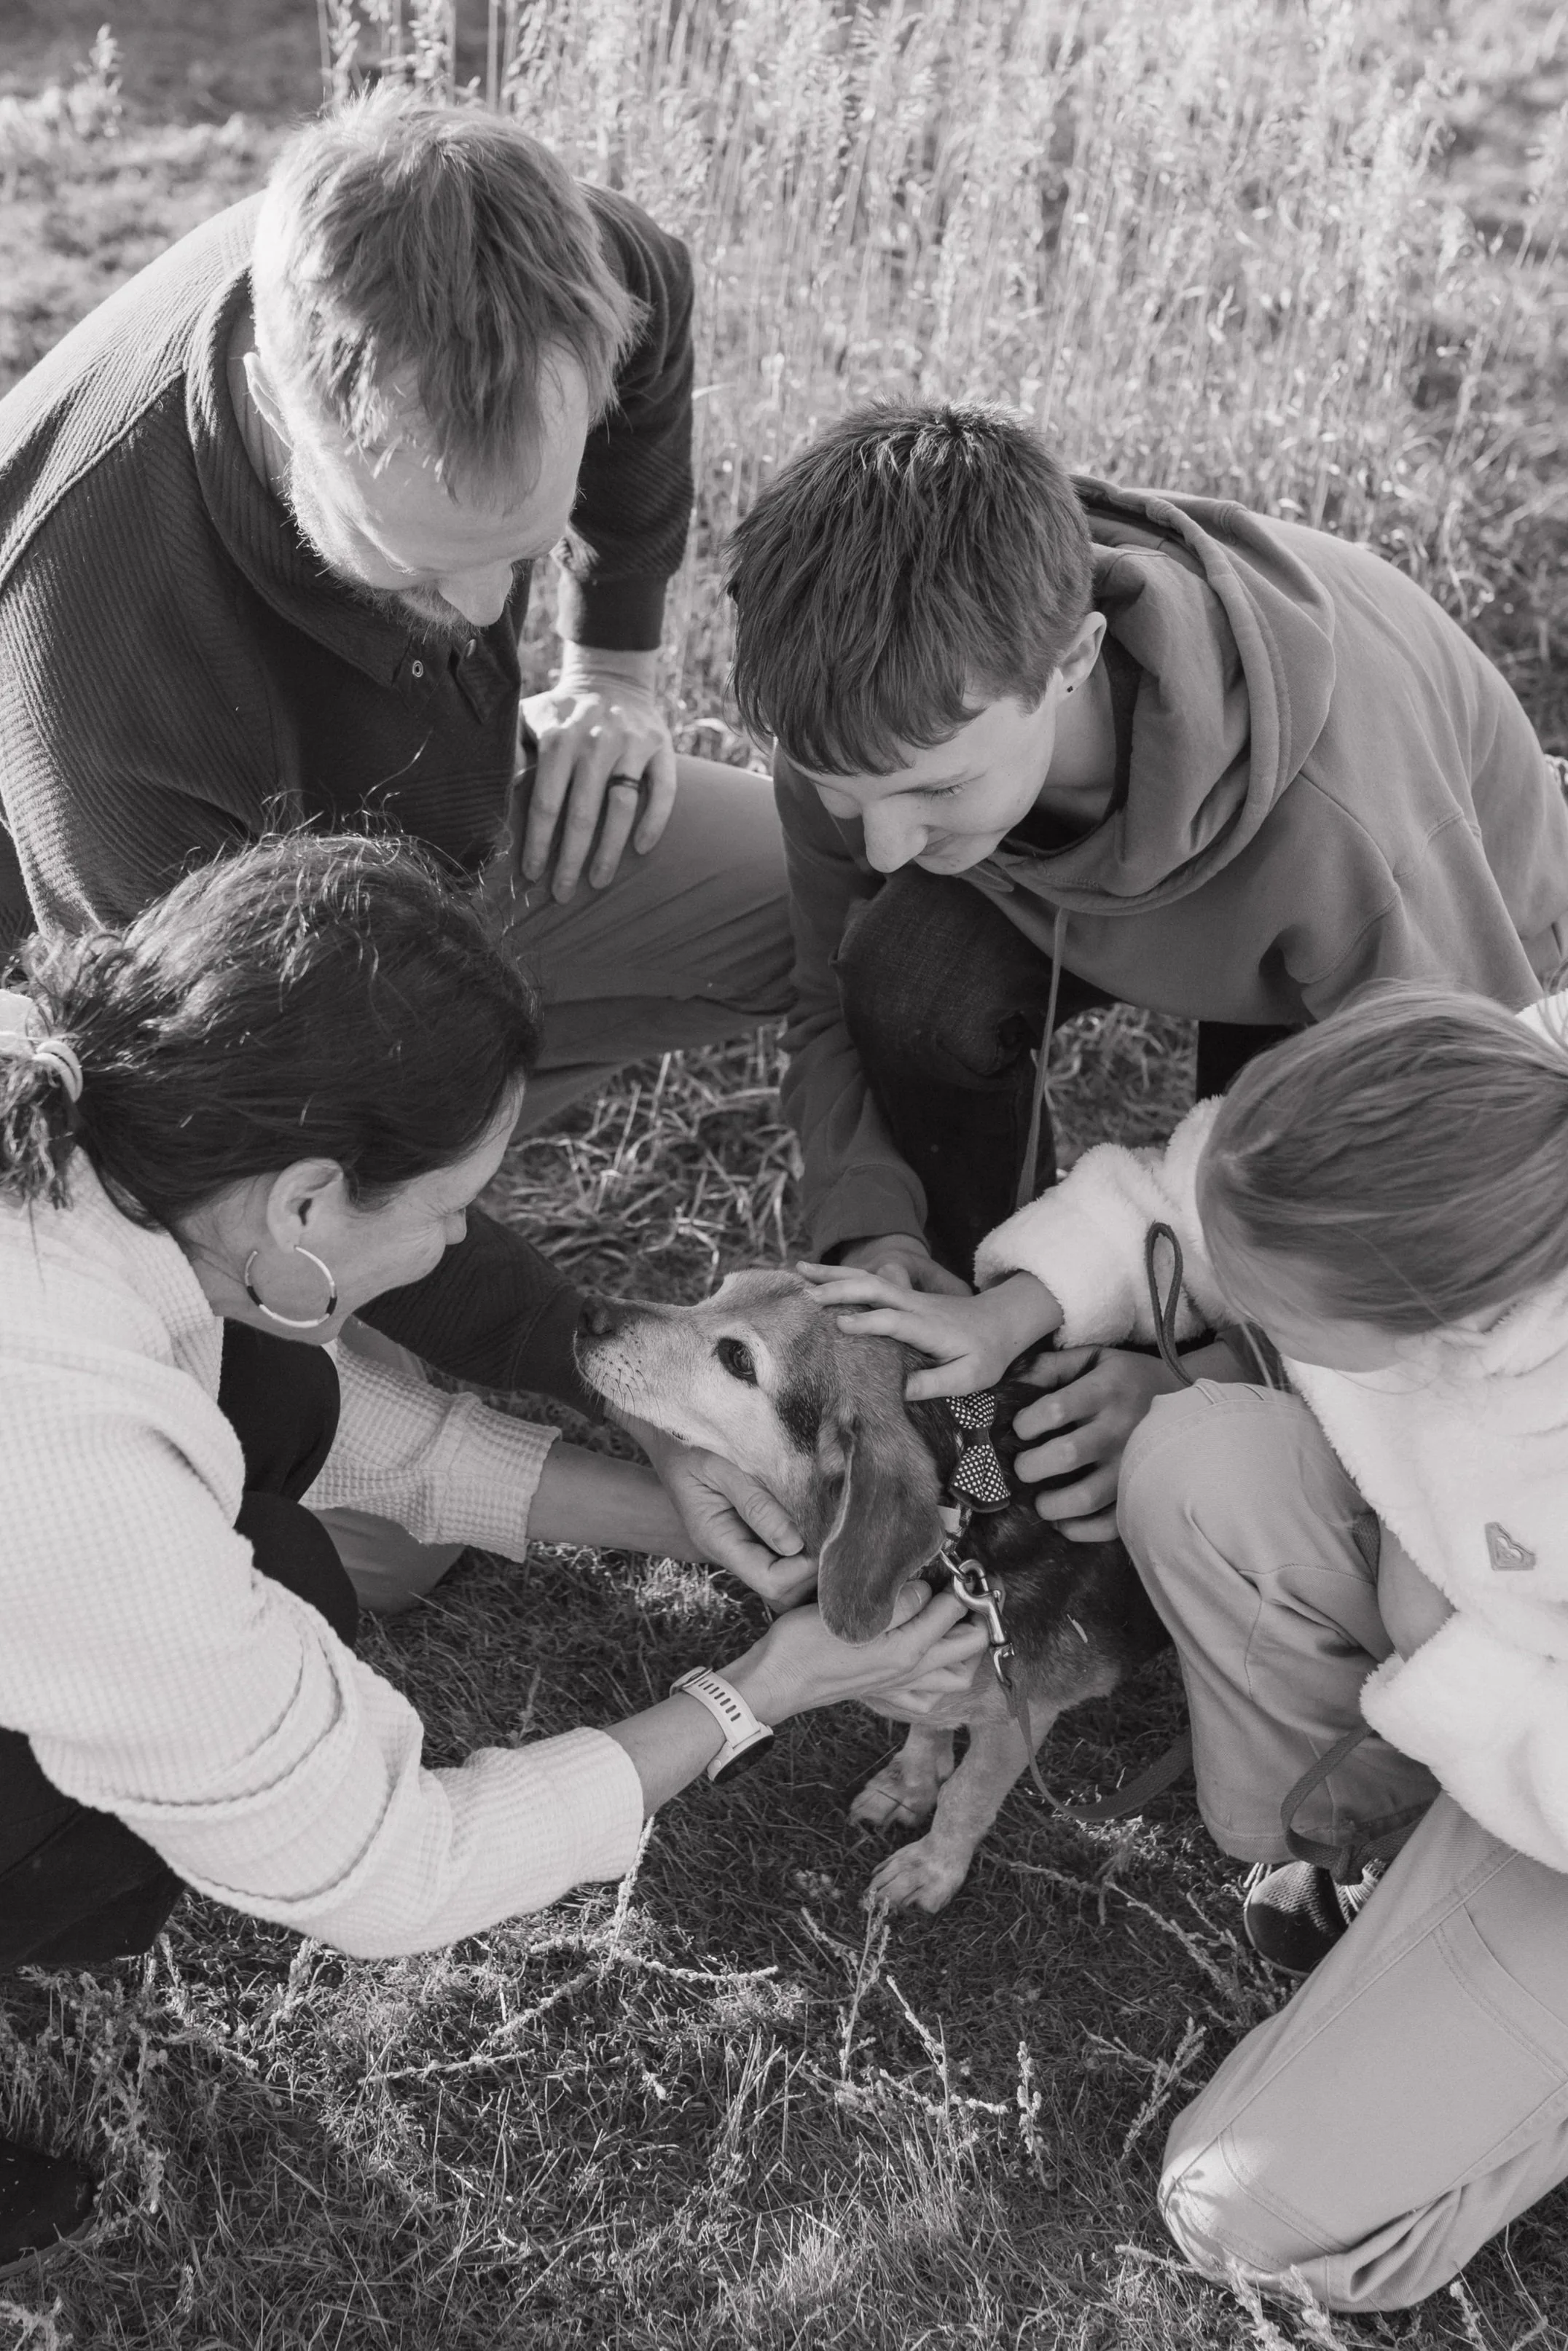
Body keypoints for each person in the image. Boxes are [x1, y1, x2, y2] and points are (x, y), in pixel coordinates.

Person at [0, 832, 984, 2273]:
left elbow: (313, 1417)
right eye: (456, 1211)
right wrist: (755, 1689)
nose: (468, 1242)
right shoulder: (81, 1482)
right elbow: (390, 1865)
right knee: (90, 1855)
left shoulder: (82, 1102)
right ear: (307, 1207)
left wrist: (678, 1516)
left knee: (272, 1432)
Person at [0, 86, 794, 1603]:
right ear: (283, 404)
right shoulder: (101, 698)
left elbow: (658, 315)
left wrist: (613, 663)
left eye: (520, 546)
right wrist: (594, 1354)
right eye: (417, 563)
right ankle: (422, 1221)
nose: (488, 614)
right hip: (172, 1010)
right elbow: (242, 1129)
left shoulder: (545, 273)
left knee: (811, 890)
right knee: (372, 1542)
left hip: (423, 854)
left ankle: (448, 1171)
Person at [801, 984, 1568, 2312]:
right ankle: (1363, 1859)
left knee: (1237, 2202)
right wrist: (1017, 1309)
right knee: (1199, 1453)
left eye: (1277, 1315)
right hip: (1495, 1639)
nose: (1224, 1313)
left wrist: (1451, 1657)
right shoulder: (1486, 1100)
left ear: (1439, 1324)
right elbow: (1210, 1187)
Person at [725, 399, 1568, 1542]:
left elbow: (1449, 1186)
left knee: (1286, 1186)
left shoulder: (1348, 831)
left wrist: (1203, 1372)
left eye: (932, 790)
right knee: (903, 972)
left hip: (1414, 994)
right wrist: (880, 1237)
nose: (879, 846)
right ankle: (1000, 1350)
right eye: (842, 797)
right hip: (1174, 906)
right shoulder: (867, 723)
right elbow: (828, 995)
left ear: (1072, 659)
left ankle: (1168, 1368)